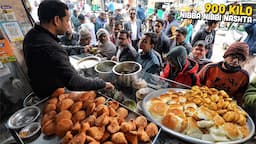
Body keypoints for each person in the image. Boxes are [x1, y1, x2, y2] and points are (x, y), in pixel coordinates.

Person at [23, 0, 114, 98]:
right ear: (56, 20)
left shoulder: (32, 35)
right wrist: (102, 84)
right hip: (52, 97)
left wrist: (82, 49)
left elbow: (60, 48)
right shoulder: (48, 46)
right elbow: (73, 82)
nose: (68, 25)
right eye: (67, 20)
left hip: (40, 89)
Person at [199, 42, 249, 106]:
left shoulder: (244, 76)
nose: (235, 61)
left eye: (240, 59)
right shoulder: (209, 68)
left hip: (225, 107)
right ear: (225, 56)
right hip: (203, 102)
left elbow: (240, 98)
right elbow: (196, 84)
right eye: (233, 56)